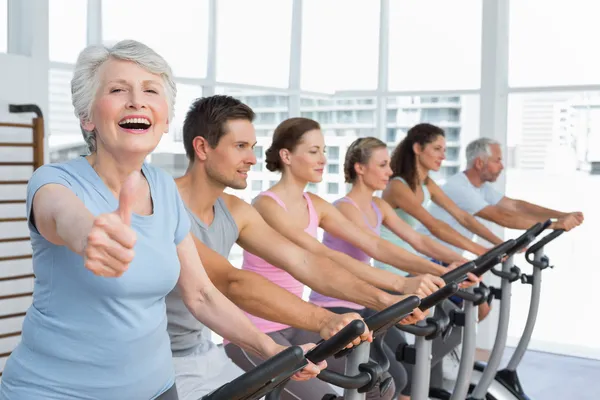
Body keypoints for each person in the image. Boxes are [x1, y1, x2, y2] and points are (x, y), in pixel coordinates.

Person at [0, 40, 321, 400]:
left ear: (165, 118)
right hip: (58, 391)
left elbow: (201, 295)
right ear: (87, 116)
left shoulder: (163, 189)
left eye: (150, 90)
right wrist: (90, 234)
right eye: (118, 89)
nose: (136, 100)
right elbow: (61, 216)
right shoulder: (55, 180)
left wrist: (272, 351)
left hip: (156, 388)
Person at [169, 95, 432, 400]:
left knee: (381, 383)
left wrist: (388, 296)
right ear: (202, 148)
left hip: (202, 349)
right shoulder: (166, 203)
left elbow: (304, 262)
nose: (253, 159)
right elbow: (231, 281)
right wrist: (323, 319)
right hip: (164, 357)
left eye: (252, 148)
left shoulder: (235, 210)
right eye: (240, 146)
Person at [223, 117, 476, 398]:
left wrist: (435, 270)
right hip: (255, 328)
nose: (323, 159)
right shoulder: (266, 204)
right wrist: (399, 286)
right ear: (286, 156)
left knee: (381, 385)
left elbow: (374, 245)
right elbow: (319, 255)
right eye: (313, 151)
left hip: (296, 319)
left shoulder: (315, 204)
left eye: (323, 151)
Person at [321, 136, 480, 399]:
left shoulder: (379, 205)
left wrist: (459, 261)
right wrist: (436, 270)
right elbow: (377, 248)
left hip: (364, 298)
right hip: (339, 301)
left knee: (407, 369)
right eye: (382, 165)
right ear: (360, 168)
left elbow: (417, 239)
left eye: (390, 164)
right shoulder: (344, 209)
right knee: (394, 377)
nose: (390, 172)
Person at [378, 123, 501, 322]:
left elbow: (461, 216)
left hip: (413, 262)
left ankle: (443, 352)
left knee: (478, 306)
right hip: (395, 267)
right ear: (418, 149)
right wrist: (480, 251)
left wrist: (494, 246)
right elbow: (433, 225)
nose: (443, 156)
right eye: (437, 149)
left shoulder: (427, 184)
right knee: (455, 312)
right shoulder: (397, 186)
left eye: (444, 150)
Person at [417, 137, 584, 254]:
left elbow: (517, 206)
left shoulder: (482, 188)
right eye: (497, 161)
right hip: (427, 256)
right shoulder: (459, 187)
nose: (502, 166)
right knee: (479, 302)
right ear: (480, 163)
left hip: (445, 257)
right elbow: (502, 217)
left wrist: (562, 215)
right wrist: (555, 225)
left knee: (482, 303)